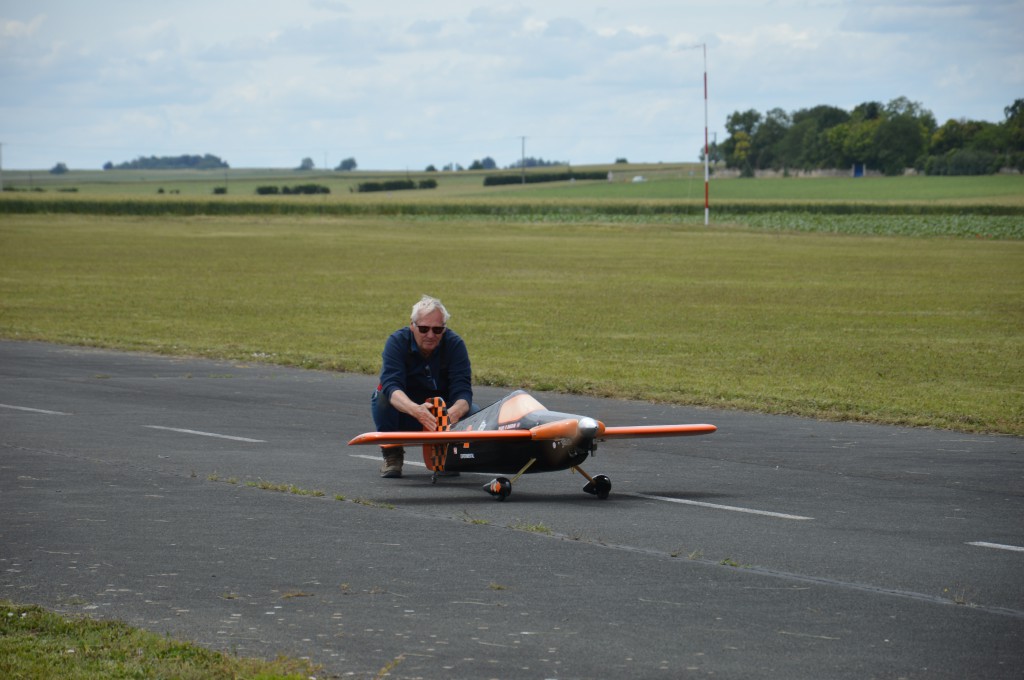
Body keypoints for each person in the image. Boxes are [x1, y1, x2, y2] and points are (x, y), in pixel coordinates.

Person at [372, 295, 473, 478]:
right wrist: (416, 410)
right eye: (424, 328)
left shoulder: (455, 345)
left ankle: (447, 453)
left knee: (475, 413)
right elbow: (391, 386)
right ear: (412, 325)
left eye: (437, 329)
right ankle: (392, 453)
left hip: (441, 413)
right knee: (382, 397)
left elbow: (464, 392)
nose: (430, 335)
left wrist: (453, 414)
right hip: (407, 411)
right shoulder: (396, 342)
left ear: (444, 329)